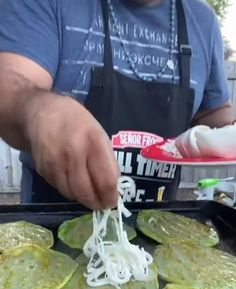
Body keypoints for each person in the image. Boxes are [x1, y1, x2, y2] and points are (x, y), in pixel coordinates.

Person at [0, 0, 234, 208]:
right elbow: (9, 85)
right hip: (55, 225)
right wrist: (38, 108)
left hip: (159, 230)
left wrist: (230, 129)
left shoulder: (203, 21)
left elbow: (212, 111)